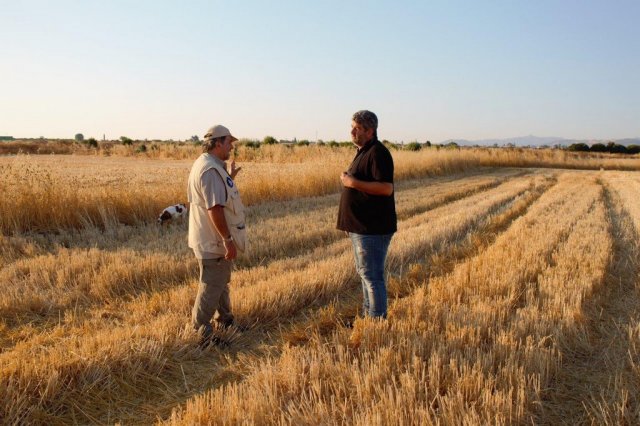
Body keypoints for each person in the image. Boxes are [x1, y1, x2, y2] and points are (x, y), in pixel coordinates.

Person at [187, 124, 247, 347]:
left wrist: (229, 177)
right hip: (213, 239)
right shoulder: (211, 170)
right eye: (229, 142)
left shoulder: (209, 165)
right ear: (218, 143)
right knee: (211, 284)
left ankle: (226, 321)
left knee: (220, 281)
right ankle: (201, 332)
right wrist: (227, 240)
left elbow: (215, 195)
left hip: (210, 237)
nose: (231, 146)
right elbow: (215, 208)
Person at [337, 110, 397, 319]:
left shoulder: (378, 153)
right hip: (361, 227)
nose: (352, 131)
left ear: (370, 131)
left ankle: (377, 321)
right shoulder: (364, 151)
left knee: (372, 277)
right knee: (366, 275)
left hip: (372, 228)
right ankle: (367, 316)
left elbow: (385, 188)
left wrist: (352, 182)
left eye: (357, 128)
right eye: (352, 126)